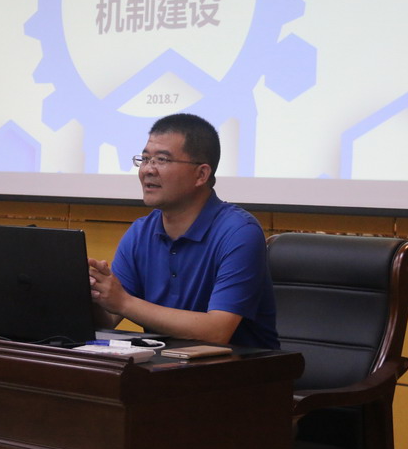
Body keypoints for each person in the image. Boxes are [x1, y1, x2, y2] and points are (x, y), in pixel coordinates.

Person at [88, 113, 279, 349]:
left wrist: (124, 302)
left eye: (161, 160)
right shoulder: (140, 232)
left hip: (239, 367)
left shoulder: (239, 232)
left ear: (201, 174)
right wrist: (92, 294)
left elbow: (217, 331)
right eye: (145, 159)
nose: (148, 170)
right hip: (162, 364)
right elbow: (108, 319)